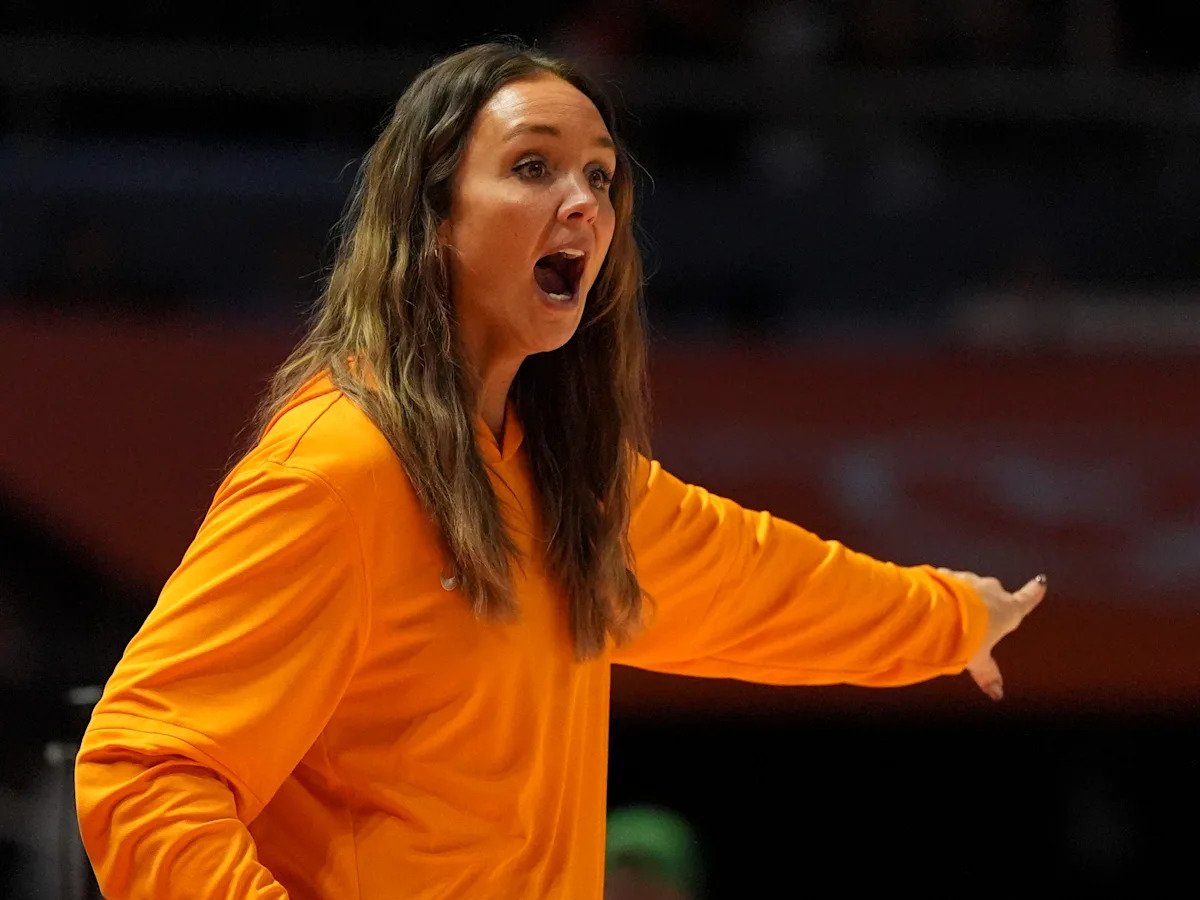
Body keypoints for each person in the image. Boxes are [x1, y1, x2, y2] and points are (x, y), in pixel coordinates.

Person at [73, 38, 1047, 899]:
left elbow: (756, 579)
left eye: (600, 175)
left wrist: (950, 618)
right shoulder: (341, 469)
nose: (583, 201)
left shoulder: (565, 478)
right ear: (433, 213)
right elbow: (142, 772)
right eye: (533, 166)